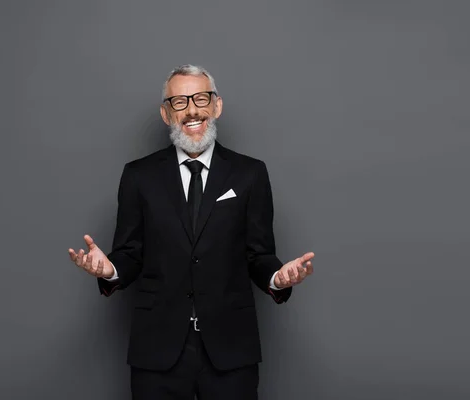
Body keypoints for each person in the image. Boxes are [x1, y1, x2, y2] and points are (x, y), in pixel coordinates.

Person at [68, 64, 314, 399]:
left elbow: (259, 254)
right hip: (157, 349)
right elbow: (129, 252)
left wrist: (277, 277)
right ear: (166, 113)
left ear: (217, 106)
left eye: (200, 98)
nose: (192, 109)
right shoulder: (138, 176)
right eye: (179, 102)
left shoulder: (250, 174)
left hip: (230, 348)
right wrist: (110, 269)